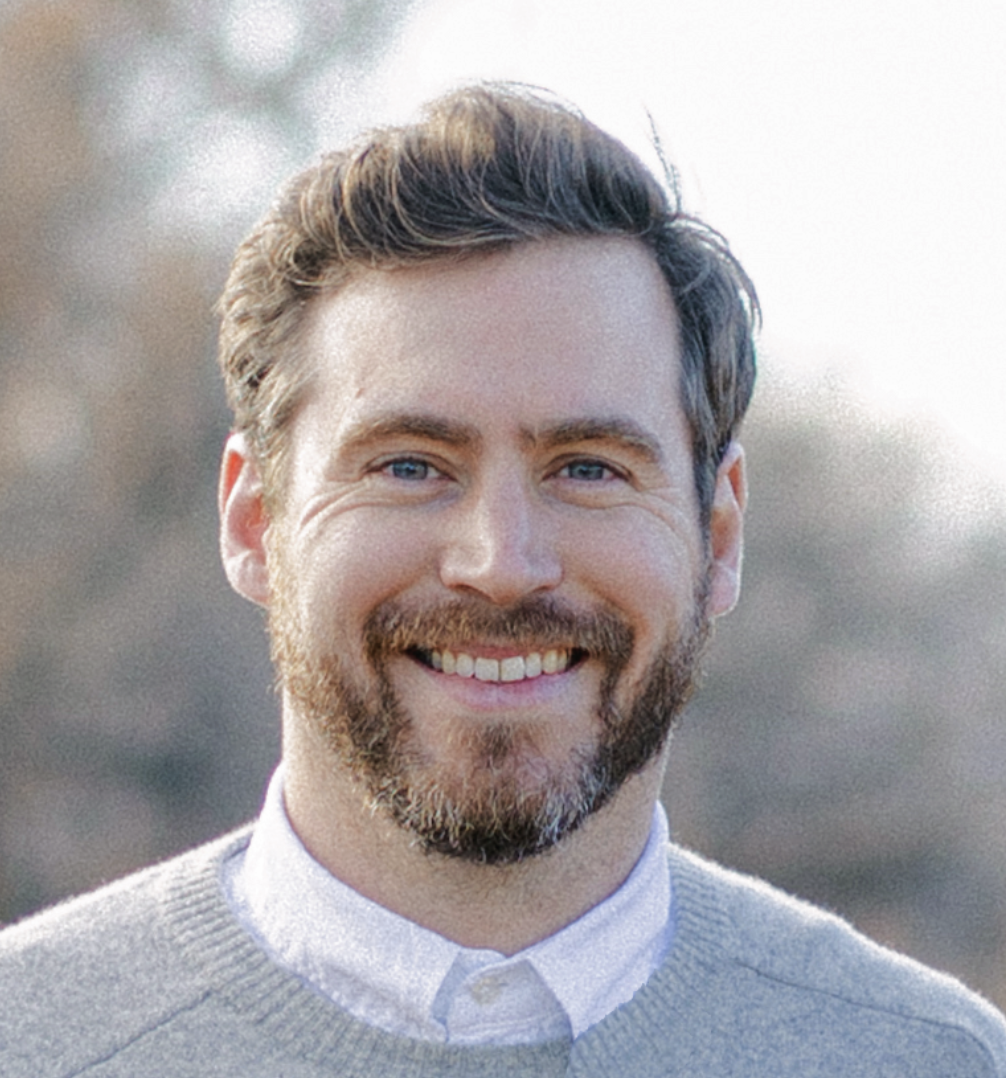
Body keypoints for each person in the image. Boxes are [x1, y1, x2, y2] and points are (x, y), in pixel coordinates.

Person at [1, 82, 1004, 1078]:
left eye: (588, 467)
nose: (500, 563)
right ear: (254, 516)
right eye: (408, 465)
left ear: (719, 531)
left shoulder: (928, 1059)